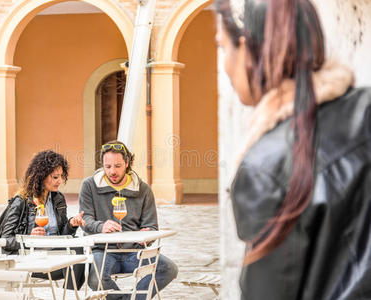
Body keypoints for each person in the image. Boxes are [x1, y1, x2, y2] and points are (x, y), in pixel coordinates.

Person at [216, 0, 371, 299]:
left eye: (223, 47)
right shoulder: (365, 108)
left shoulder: (266, 167)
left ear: (248, 50)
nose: (224, 65)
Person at [79, 141, 178, 299]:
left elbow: (151, 226)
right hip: (103, 251)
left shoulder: (143, 190)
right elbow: (85, 220)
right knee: (95, 278)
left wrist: (148, 233)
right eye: (108, 166)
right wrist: (100, 226)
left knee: (169, 268)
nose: (112, 171)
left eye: (117, 166)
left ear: (127, 163)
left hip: (134, 252)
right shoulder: (89, 186)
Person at [0, 150, 86, 290]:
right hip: (30, 258)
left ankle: (67, 295)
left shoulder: (57, 199)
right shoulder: (21, 201)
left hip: (54, 254)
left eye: (61, 176)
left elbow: (63, 235)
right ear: (41, 176)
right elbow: (5, 239)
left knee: (83, 258)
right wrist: (28, 238)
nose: (60, 181)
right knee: (77, 260)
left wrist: (71, 224)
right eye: (55, 177)